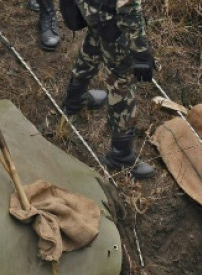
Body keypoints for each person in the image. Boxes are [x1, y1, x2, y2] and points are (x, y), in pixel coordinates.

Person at [62, 0, 156, 179]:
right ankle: (121, 155)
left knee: (93, 42)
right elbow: (128, 8)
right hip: (110, 16)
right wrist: (141, 52)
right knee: (122, 80)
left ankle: (74, 99)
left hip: (91, 8)